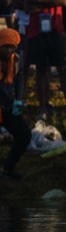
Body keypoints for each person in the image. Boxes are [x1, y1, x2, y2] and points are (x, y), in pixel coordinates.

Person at [0, 30, 28, 179]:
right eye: (6, 47)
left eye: (12, 47)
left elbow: (20, 81)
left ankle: (8, 167)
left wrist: (19, 99)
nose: (10, 50)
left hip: (8, 105)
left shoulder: (16, 60)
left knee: (24, 135)